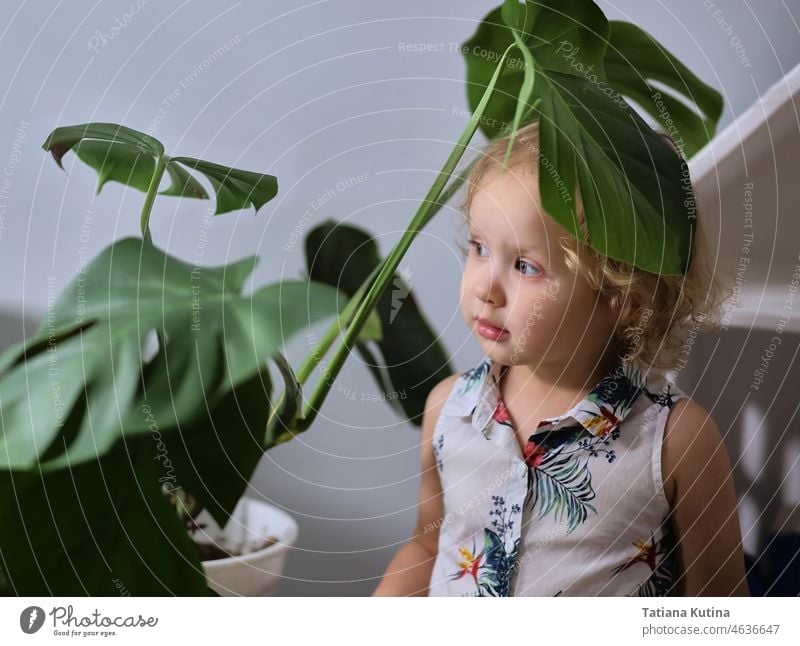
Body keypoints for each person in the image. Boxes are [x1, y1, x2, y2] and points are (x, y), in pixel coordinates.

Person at [372, 120, 748, 597]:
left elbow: (721, 610)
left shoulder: (677, 442)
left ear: (622, 293)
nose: (485, 288)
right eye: (479, 247)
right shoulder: (448, 409)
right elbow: (427, 547)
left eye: (525, 265)